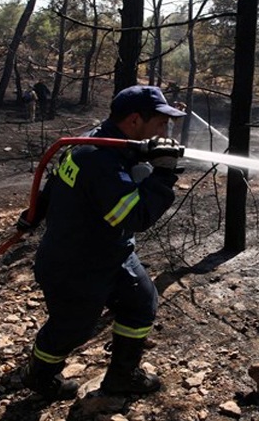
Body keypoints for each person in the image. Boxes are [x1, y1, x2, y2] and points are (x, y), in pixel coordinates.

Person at [17, 85, 186, 400]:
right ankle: (39, 377)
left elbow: (56, 183)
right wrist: (162, 176)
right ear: (135, 120)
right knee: (70, 329)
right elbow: (133, 216)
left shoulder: (100, 142)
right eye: (161, 122)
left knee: (141, 302)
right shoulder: (98, 160)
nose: (166, 130)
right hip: (75, 265)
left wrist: (34, 213)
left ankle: (122, 376)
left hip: (111, 253)